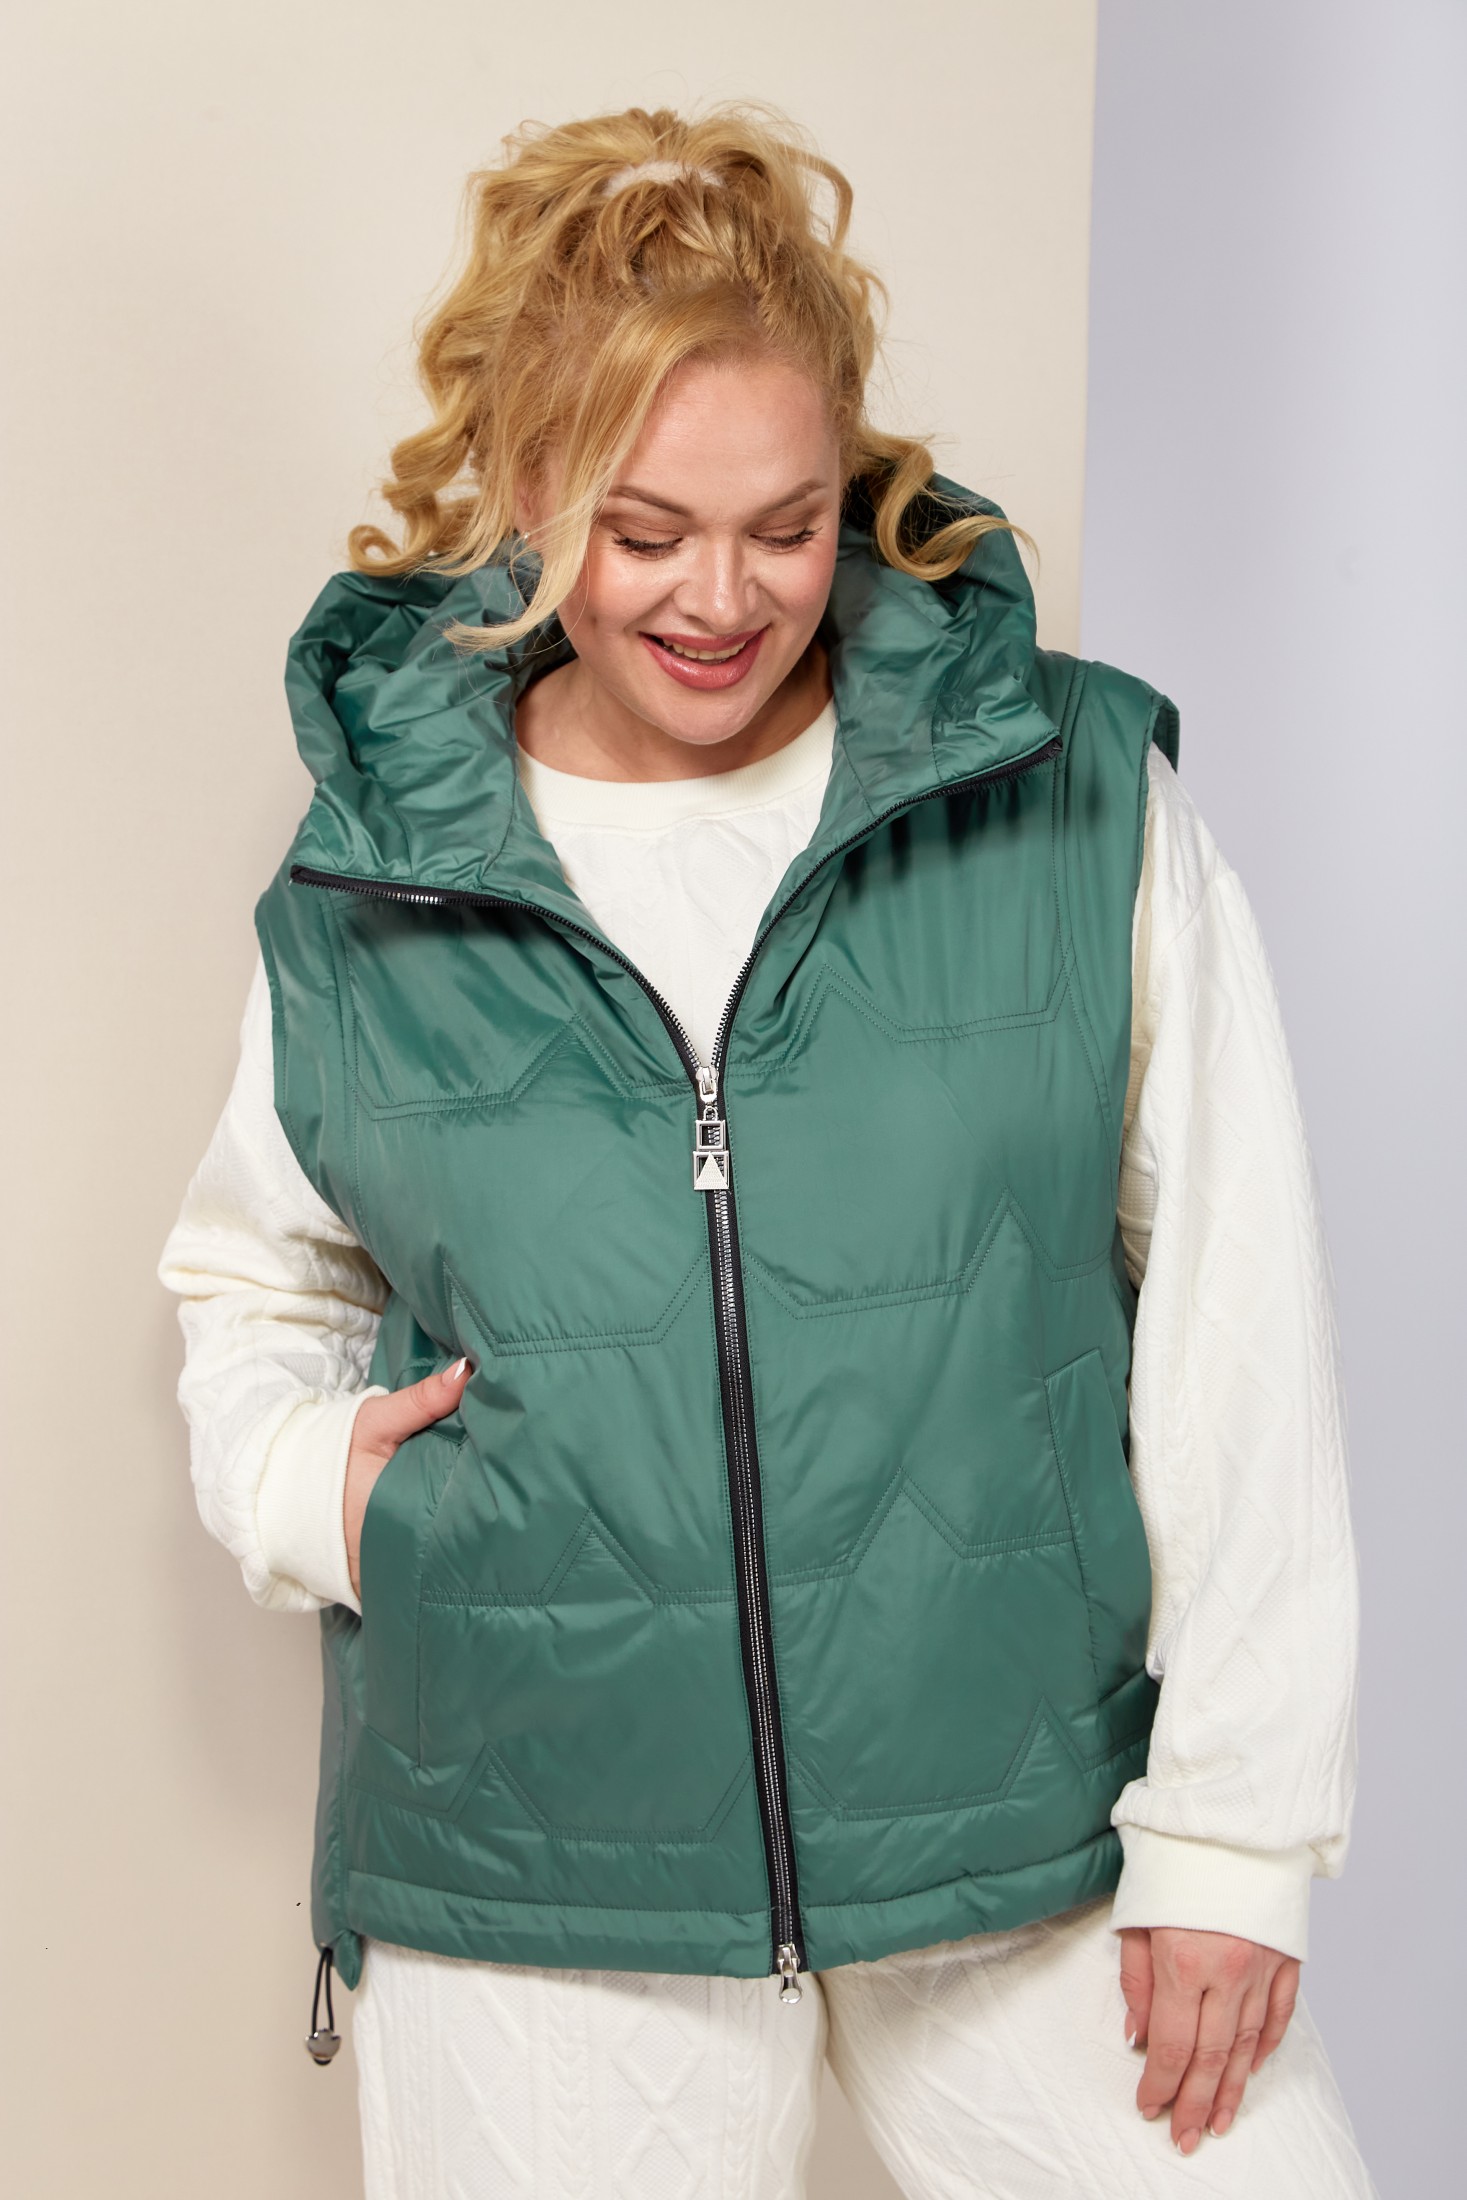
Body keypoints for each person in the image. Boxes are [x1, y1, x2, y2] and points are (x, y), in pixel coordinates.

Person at [158, 102, 1375, 2198]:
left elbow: (1236, 1305)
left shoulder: (1068, 798)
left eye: (785, 527)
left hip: (1029, 1821)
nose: (721, 599)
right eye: (642, 533)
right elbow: (251, 1275)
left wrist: (1237, 1829)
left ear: (848, 491)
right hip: (536, 1853)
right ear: (528, 491)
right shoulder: (372, 878)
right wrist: (307, 1486)